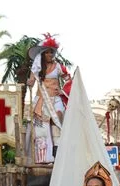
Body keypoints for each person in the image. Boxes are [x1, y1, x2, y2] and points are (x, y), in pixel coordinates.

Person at [27, 35, 72, 164]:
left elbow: (68, 79)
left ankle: (58, 156)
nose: (50, 55)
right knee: (42, 128)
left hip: (56, 100)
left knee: (57, 124)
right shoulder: (37, 68)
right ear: (43, 54)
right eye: (47, 52)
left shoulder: (59, 66)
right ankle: (44, 158)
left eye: (51, 52)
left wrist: (62, 91)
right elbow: (30, 81)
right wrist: (29, 82)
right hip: (41, 101)